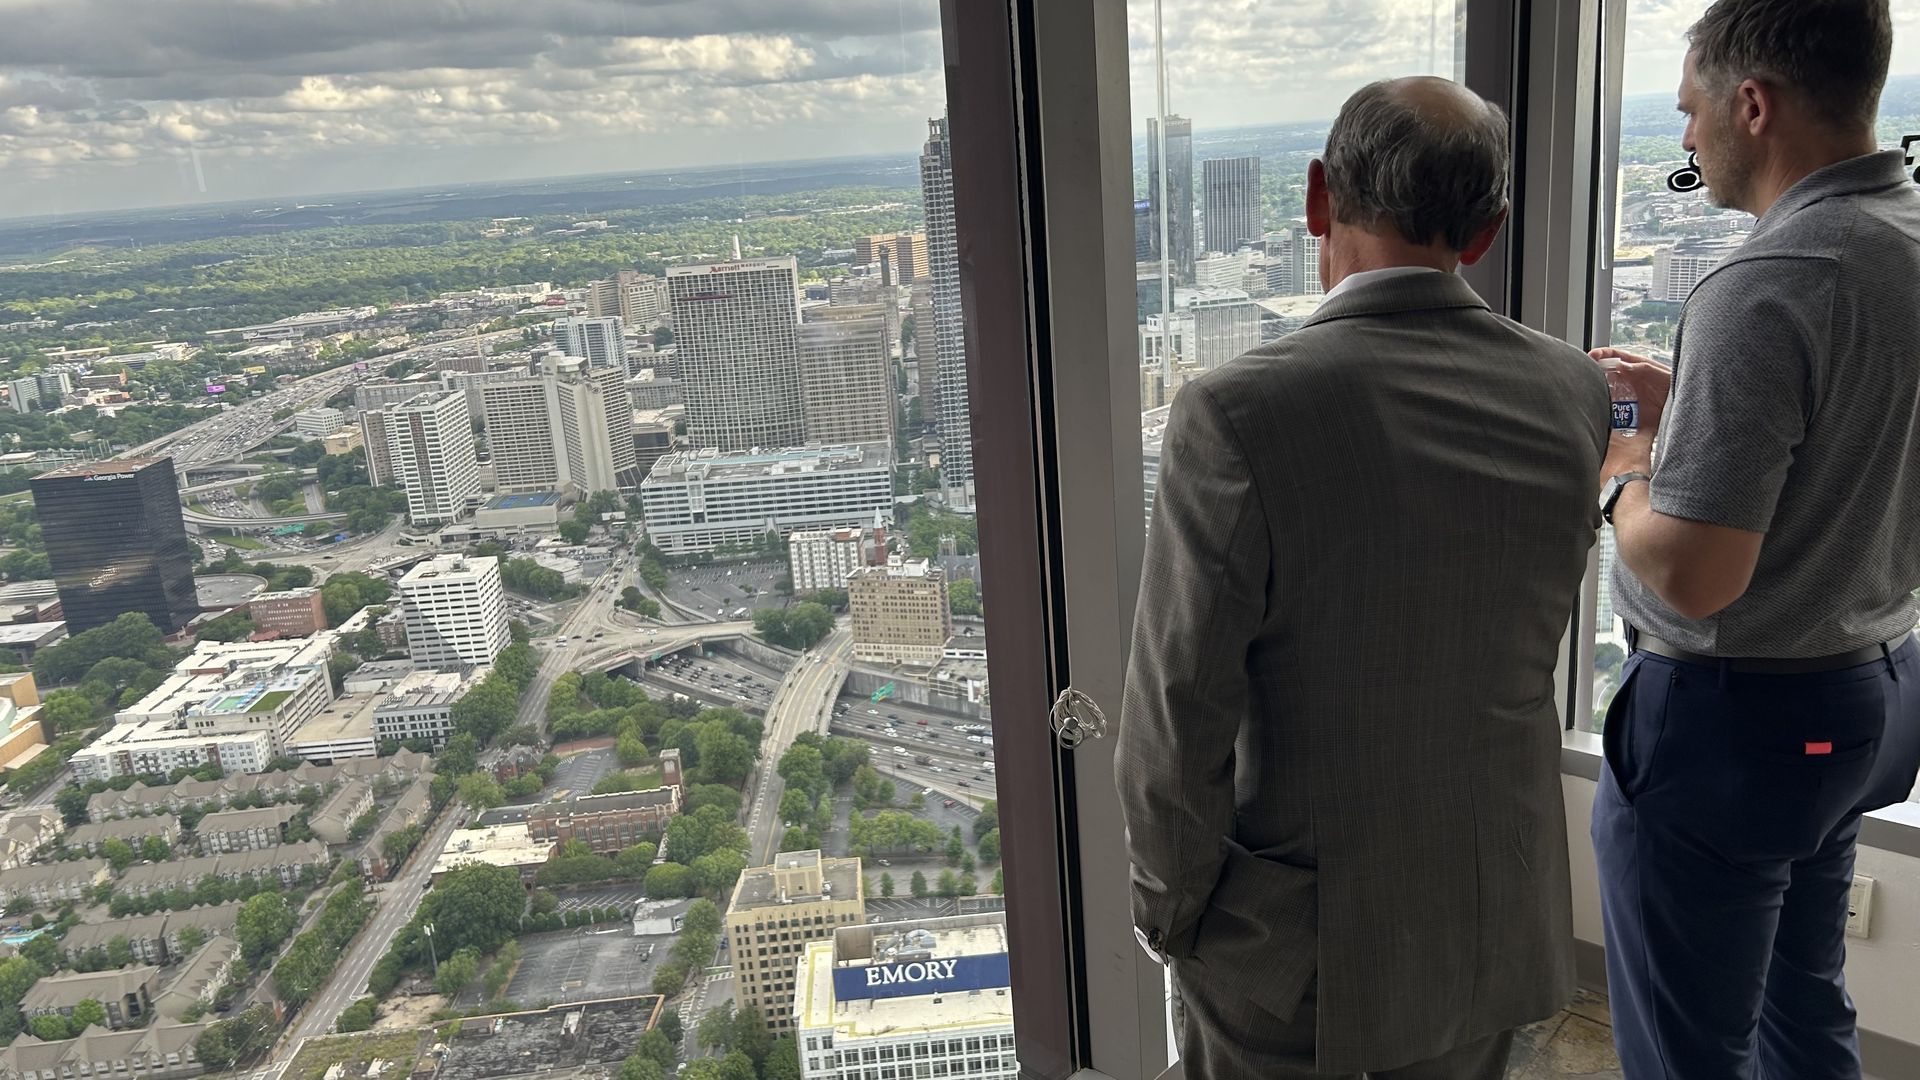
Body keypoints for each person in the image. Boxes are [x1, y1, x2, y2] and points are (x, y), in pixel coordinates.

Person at [1115, 77, 1608, 1080]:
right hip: (1492, 912)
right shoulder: (1574, 389)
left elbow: (1179, 708)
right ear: (1487, 231)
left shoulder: (1238, 413)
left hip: (1299, 945)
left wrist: (1174, 918)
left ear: (1316, 198)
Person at [1591, 2, 1920, 1077]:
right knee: (1802, 1009)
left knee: (1685, 1050)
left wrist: (1624, 467)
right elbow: (1854, 428)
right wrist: (1696, 406)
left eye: (1692, 111)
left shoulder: (1770, 281)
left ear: (1753, 104)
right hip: (1866, 691)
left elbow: (1694, 574)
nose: (1688, 136)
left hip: (1734, 725)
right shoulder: (1903, 235)